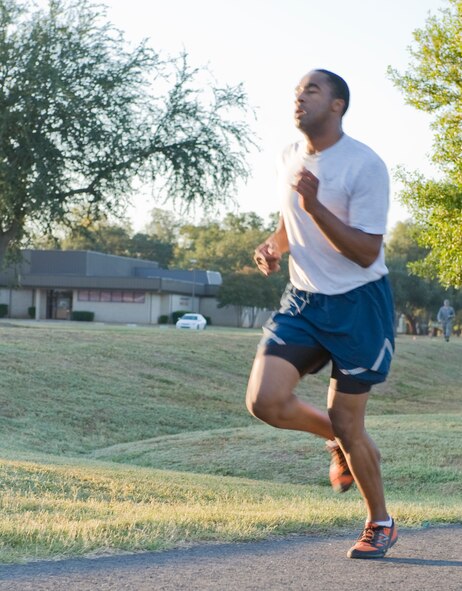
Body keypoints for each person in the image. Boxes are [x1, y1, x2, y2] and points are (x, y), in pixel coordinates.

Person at [246, 69, 397, 559]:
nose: (300, 97)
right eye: (296, 91)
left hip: (359, 306)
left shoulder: (364, 165)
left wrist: (315, 208)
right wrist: (274, 245)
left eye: (312, 90)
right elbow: (290, 222)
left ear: (338, 105)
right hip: (305, 300)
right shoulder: (289, 157)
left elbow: (366, 252)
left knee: (351, 422)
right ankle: (337, 442)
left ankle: (380, 522)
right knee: (265, 401)